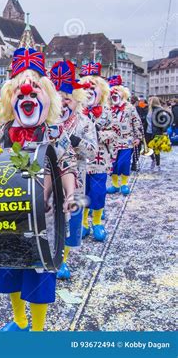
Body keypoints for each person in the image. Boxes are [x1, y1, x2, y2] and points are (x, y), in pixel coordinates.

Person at [0, 48, 77, 332]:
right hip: (8, 215)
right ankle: (18, 322)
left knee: (40, 273)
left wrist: (72, 195)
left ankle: (38, 329)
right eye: (21, 94)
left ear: (47, 97)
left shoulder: (55, 132)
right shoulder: (1, 131)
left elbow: (67, 166)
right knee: (11, 268)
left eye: (34, 93)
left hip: (46, 216)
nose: (27, 98)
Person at [49, 60, 98, 280]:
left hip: (76, 178)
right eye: (58, 99)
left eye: (66, 98)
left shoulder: (85, 122)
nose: (62, 103)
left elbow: (92, 152)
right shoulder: (46, 120)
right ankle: (47, 255)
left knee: (71, 220)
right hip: (49, 180)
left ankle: (63, 260)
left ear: (75, 100)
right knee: (50, 219)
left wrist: (75, 140)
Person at [78, 62, 116, 242]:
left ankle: (97, 222)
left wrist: (98, 134)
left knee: (99, 193)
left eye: (93, 87)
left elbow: (115, 132)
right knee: (83, 193)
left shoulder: (107, 112)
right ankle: (84, 223)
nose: (89, 90)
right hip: (82, 161)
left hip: (100, 160)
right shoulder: (77, 112)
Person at [106, 76, 143, 195]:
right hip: (112, 141)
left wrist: (138, 137)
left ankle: (124, 184)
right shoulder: (108, 108)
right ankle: (115, 185)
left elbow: (136, 121)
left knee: (124, 162)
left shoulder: (130, 107)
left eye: (117, 92)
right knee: (113, 164)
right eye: (112, 92)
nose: (114, 95)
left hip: (127, 140)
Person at [145, 97, 169, 170]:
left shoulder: (160, 110)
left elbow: (165, 121)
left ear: (153, 102)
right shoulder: (149, 110)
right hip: (148, 132)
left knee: (156, 149)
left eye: (150, 101)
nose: (148, 102)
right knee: (147, 148)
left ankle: (158, 164)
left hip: (157, 132)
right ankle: (153, 160)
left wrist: (163, 131)